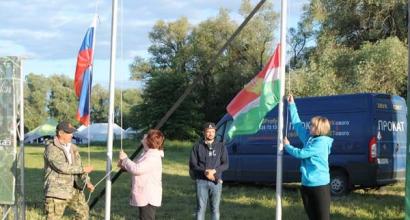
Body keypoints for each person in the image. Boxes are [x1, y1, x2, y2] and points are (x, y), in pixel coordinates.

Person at [283, 95, 334, 220]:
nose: (309, 126)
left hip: (320, 186)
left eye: (312, 125)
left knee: (322, 217)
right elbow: (297, 125)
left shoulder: (320, 143)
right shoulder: (310, 139)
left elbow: (302, 153)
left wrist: (288, 146)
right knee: (312, 217)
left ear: (319, 129)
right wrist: (292, 105)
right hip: (306, 185)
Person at [44, 121, 94, 220]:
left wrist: (87, 182)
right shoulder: (51, 148)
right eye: (69, 133)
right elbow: (62, 167)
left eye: (72, 132)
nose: (72, 135)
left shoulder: (73, 148)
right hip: (56, 192)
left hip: (73, 190)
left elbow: (79, 166)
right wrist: (83, 169)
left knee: (83, 214)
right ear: (60, 133)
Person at [118, 129, 165, 220]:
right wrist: (125, 166)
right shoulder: (148, 153)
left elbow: (137, 169)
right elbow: (139, 167)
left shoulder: (153, 156)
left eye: (146, 136)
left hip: (148, 196)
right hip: (146, 194)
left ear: (149, 141)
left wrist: (125, 159)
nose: (144, 136)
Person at [189, 122, 229, 220]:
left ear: (215, 132)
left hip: (216, 182)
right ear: (204, 133)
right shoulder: (197, 147)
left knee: (215, 209)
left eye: (212, 131)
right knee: (200, 208)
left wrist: (214, 171)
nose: (210, 134)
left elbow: (225, 164)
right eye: (208, 132)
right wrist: (205, 171)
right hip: (201, 181)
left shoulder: (221, 146)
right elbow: (193, 165)